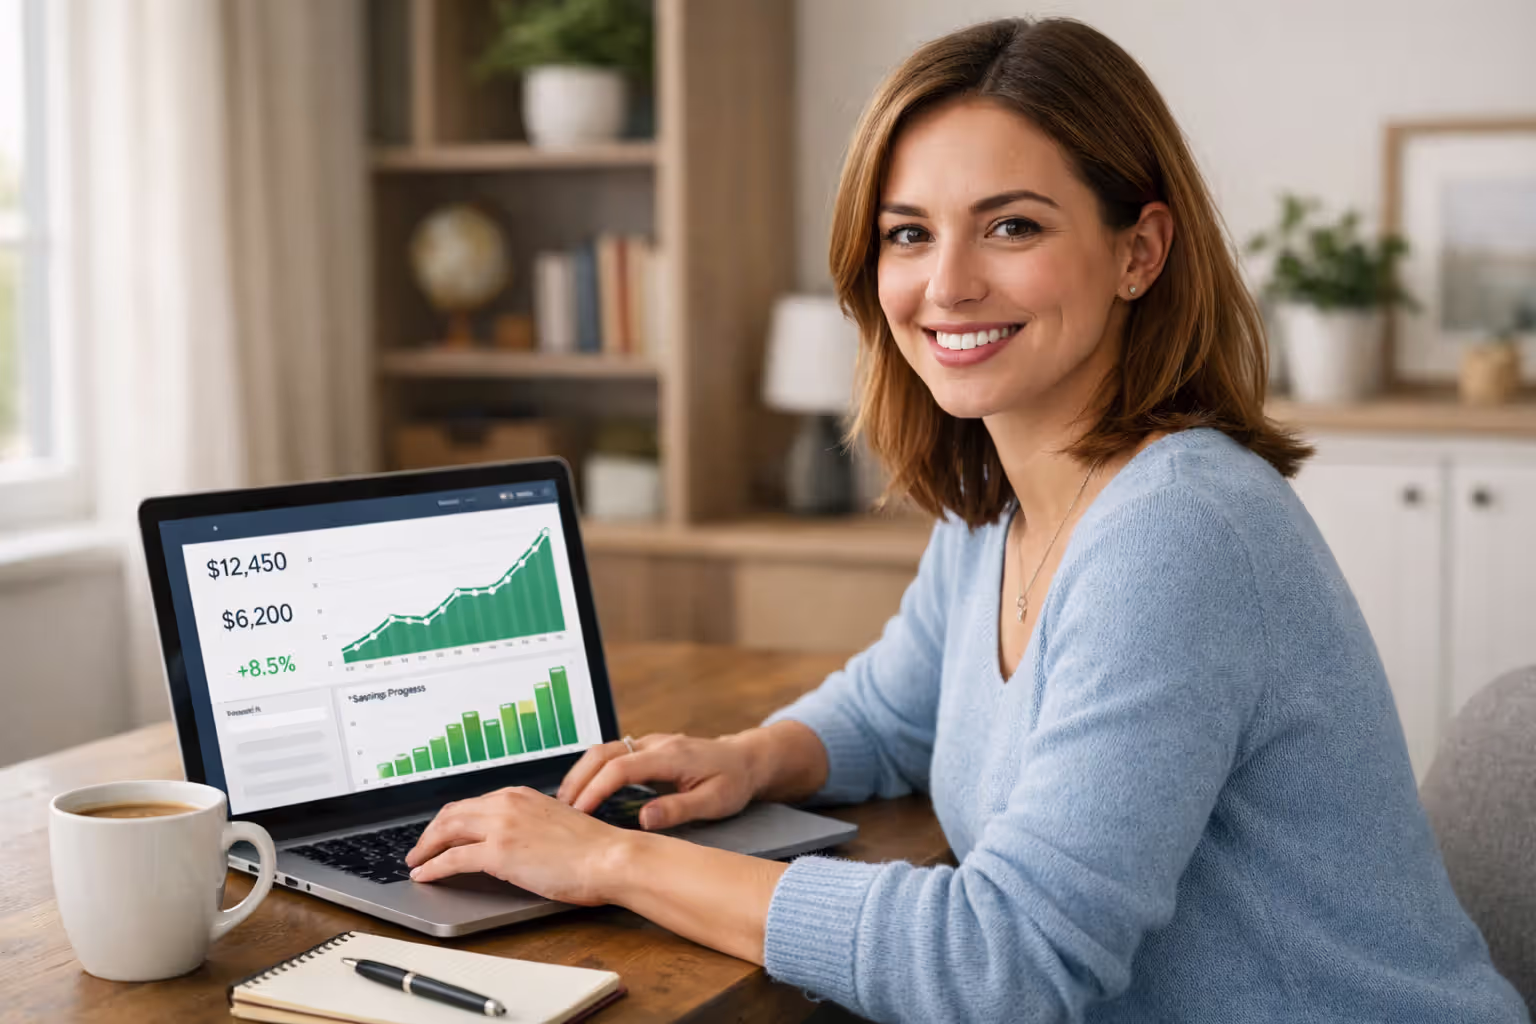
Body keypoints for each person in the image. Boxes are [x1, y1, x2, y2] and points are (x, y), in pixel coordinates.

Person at [405, 16, 1528, 1023]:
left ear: (1140, 250)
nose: (945, 285)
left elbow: (1007, 963)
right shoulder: (1003, 501)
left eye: (1010, 228)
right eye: (907, 233)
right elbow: (901, 706)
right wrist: (750, 757)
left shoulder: (1180, 534)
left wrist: (609, 863)